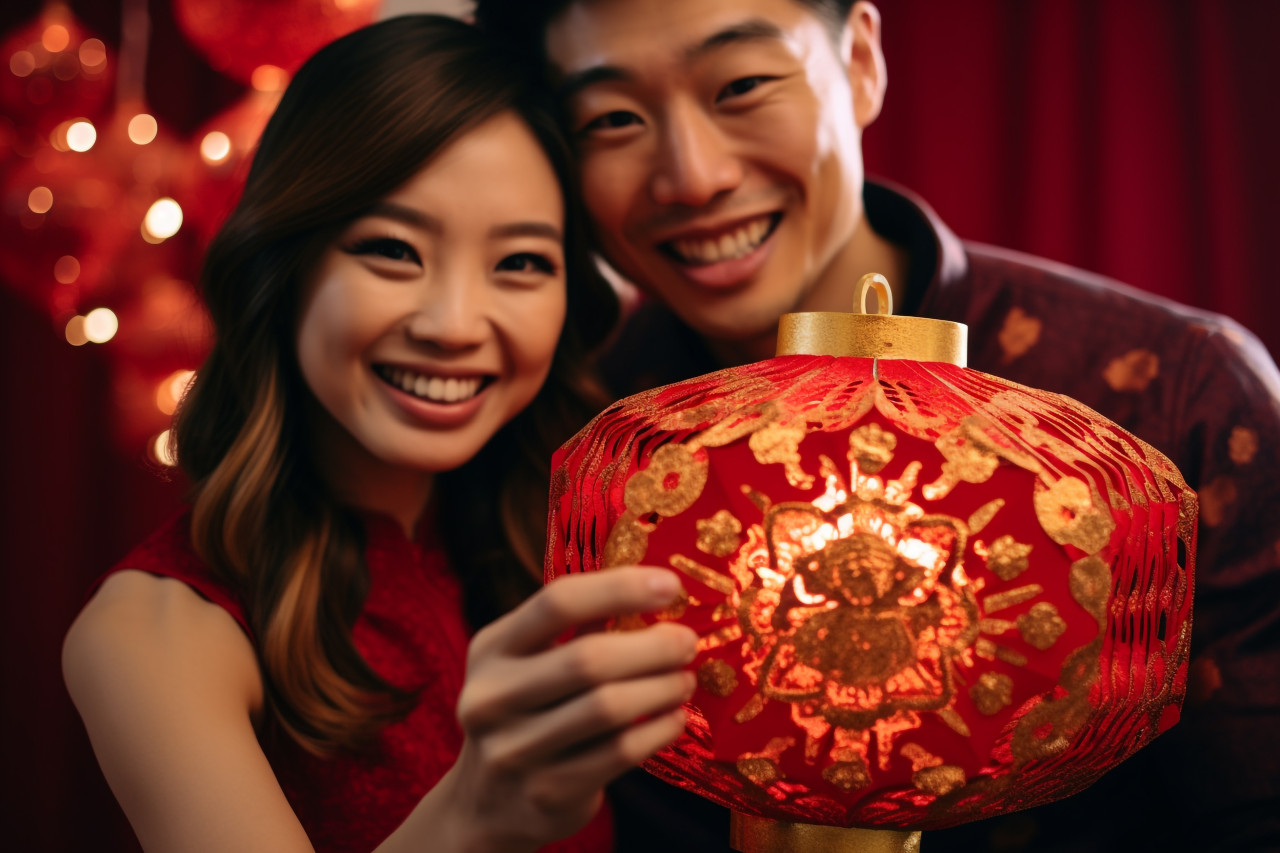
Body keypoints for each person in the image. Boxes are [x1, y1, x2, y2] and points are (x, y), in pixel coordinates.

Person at [472, 1, 1280, 851]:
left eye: (743, 84)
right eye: (614, 119)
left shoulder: (1176, 398)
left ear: (860, 58)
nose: (693, 176)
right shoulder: (567, 425)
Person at [62, 15, 702, 853]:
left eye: (520, 263)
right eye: (393, 250)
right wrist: (472, 812)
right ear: (286, 266)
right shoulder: (155, 631)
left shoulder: (553, 548)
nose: (453, 324)